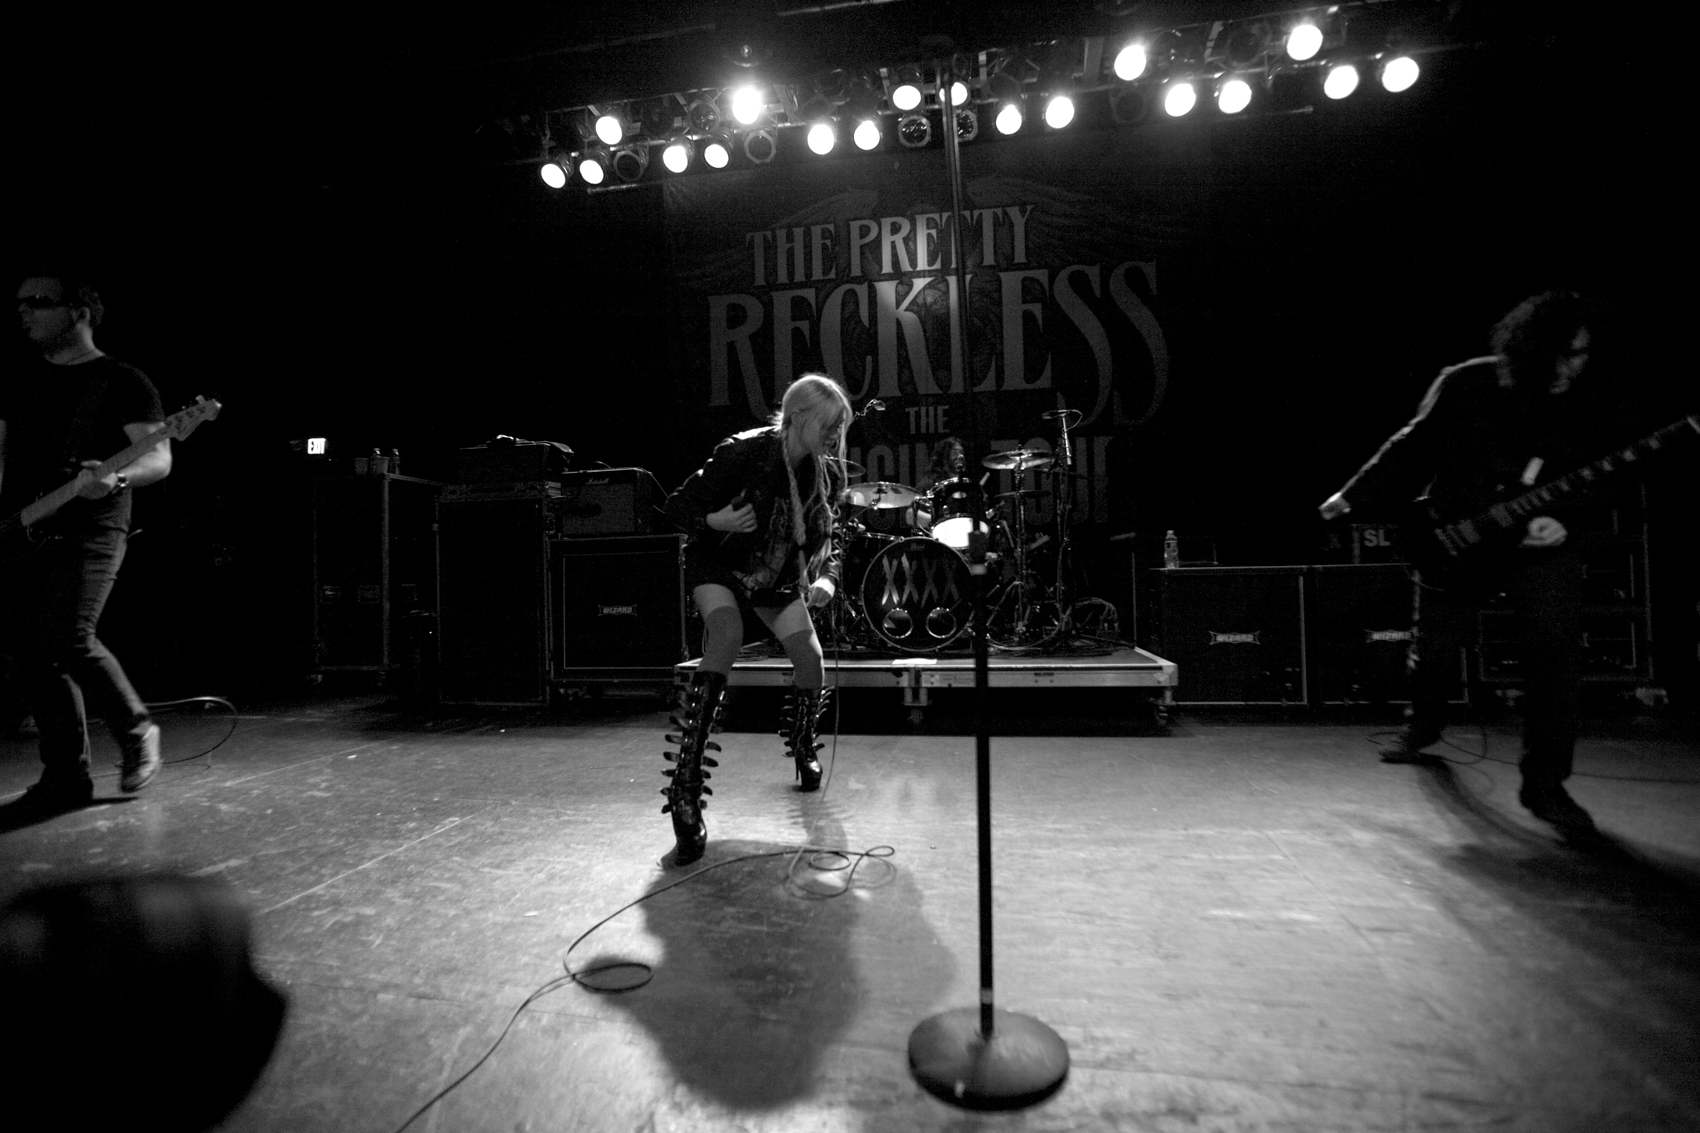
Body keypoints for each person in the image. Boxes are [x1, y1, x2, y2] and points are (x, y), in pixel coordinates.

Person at [1318, 291, 1640, 838]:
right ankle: (1421, 728)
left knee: (1555, 655)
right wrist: (1350, 496)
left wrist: (1567, 522)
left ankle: (1546, 785)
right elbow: (1413, 444)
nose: (1571, 367)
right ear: (1530, 349)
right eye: (1560, 353)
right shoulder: (1468, 383)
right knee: (1436, 648)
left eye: (1581, 353)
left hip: (1541, 543)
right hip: (1459, 537)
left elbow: (1608, 479)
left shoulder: (1591, 404)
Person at [660, 373, 852, 865]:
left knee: (810, 658)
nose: (835, 434)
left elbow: (832, 536)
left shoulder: (821, 473)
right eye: (829, 424)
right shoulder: (742, 452)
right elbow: (676, 506)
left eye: (839, 426)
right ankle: (685, 789)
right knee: (727, 633)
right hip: (720, 563)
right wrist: (714, 520)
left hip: (772, 574)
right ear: (799, 418)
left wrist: (828, 577)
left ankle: (803, 746)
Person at [1, 272, 171, 818]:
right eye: (20, 302)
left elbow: (158, 458)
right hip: (23, 527)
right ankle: (65, 777)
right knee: (30, 651)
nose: (24, 311)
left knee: (70, 635)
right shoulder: (20, 381)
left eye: (38, 301)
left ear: (78, 311)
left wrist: (116, 478)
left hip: (93, 527)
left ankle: (137, 729)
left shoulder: (122, 380)